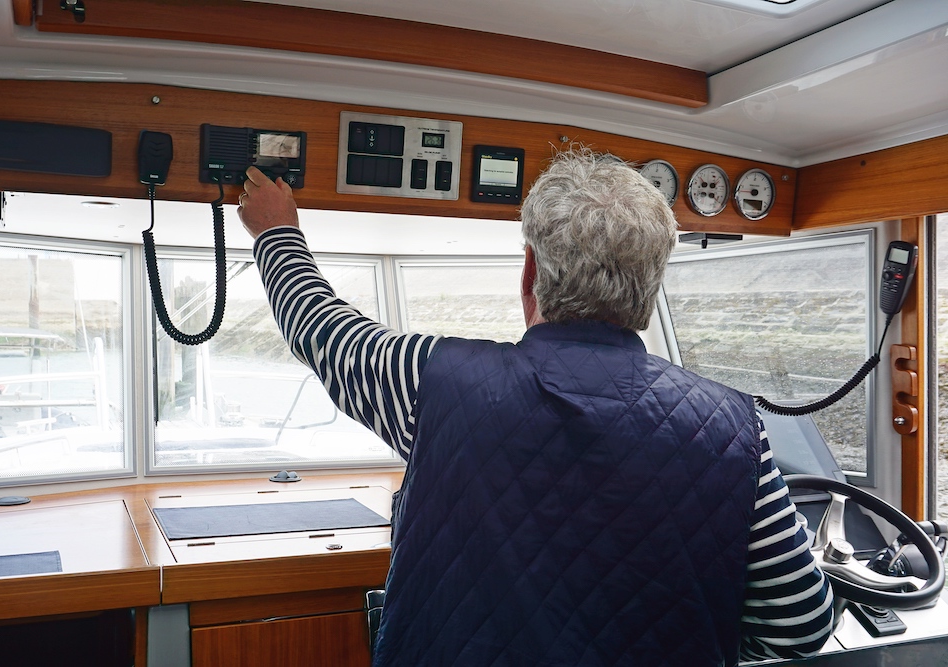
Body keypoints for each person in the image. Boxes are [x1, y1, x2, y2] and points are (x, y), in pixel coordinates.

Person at [238, 148, 833, 667]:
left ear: (530, 274)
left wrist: (276, 231)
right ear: (651, 289)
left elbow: (321, 329)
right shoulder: (735, 428)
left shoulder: (433, 382)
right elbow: (801, 626)